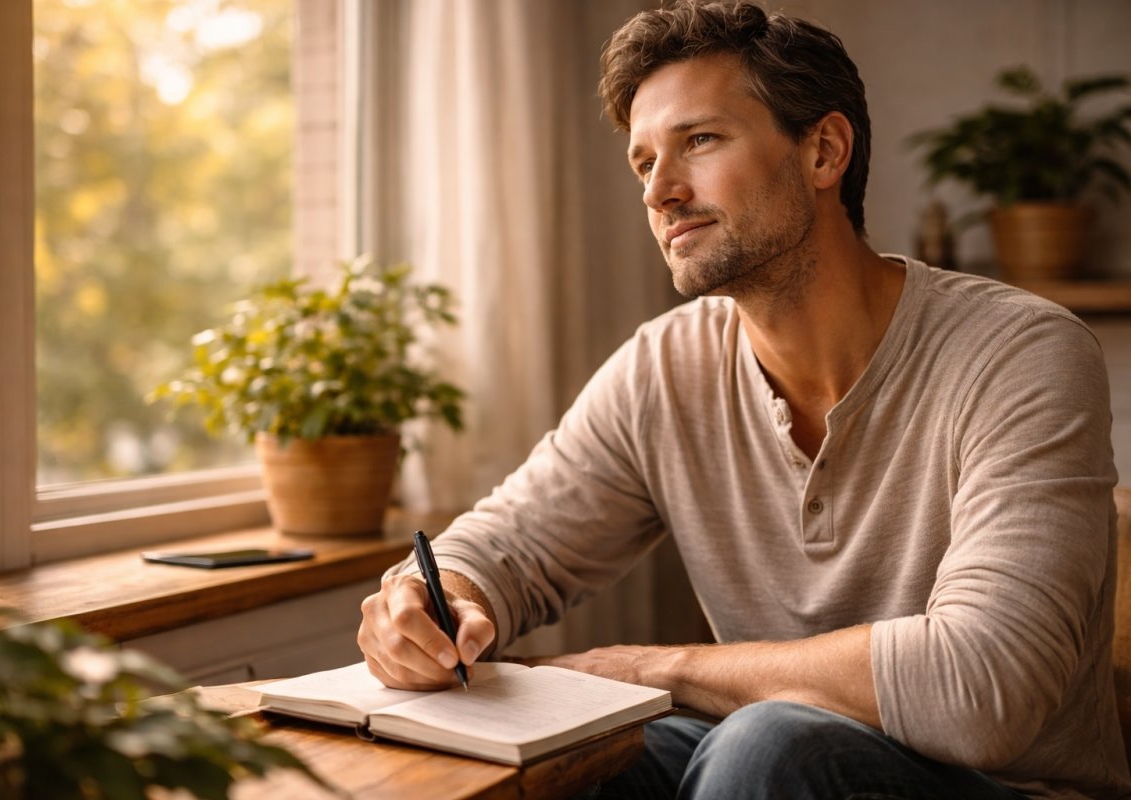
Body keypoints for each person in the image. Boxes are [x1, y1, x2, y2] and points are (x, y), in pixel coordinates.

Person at [357, 1, 1130, 797]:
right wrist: (436, 594)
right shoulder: (665, 367)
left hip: (1002, 787)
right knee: (572, 758)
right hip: (762, 766)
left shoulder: (1021, 353)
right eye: (643, 162)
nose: (660, 191)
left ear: (824, 151)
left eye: (699, 140)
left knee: (767, 742)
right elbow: (509, 547)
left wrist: (651, 667)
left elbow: (982, 692)